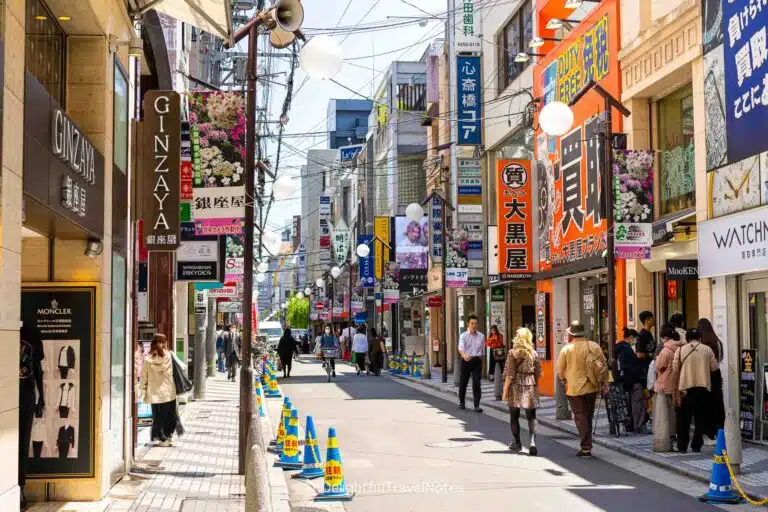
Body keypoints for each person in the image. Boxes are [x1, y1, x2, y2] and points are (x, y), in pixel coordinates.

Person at [557, 320, 608, 457]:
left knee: (580, 416)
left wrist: (564, 381)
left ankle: (586, 446)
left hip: (574, 388)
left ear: (571, 334)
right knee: (588, 415)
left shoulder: (566, 349)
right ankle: (587, 444)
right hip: (591, 386)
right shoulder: (594, 346)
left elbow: (560, 370)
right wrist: (604, 383)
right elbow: (603, 365)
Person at [673, 328, 718, 453]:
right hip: (703, 388)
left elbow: (675, 368)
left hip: (686, 389)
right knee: (700, 419)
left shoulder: (681, 350)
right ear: (700, 338)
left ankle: (682, 446)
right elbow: (714, 367)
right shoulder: (707, 349)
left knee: (684, 420)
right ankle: (696, 445)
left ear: (687, 338)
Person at [502, 328, 542, 455]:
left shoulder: (513, 353)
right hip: (530, 385)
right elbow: (538, 373)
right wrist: (536, 388)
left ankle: (517, 442)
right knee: (532, 417)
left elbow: (509, 374)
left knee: (514, 416)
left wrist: (504, 391)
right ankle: (532, 442)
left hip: (515, 386)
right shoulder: (534, 354)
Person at [140, 334, 178, 447]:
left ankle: (160, 436)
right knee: (168, 415)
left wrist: (142, 390)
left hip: (154, 392)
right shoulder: (169, 356)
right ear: (164, 342)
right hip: (168, 392)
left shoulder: (148, 359)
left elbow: (144, 377)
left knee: (157, 416)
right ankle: (166, 436)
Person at [653, 325, 683, 446]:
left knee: (665, 412)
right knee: (676, 410)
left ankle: (668, 434)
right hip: (678, 382)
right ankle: (675, 433)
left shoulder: (665, 350)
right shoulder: (681, 348)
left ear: (666, 338)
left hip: (665, 383)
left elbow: (659, 365)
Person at [615, 327, 646, 433]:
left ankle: (629, 425)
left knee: (628, 404)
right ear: (631, 337)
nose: (636, 342)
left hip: (623, 381)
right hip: (633, 380)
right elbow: (631, 366)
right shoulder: (627, 349)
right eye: (635, 339)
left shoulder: (618, 347)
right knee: (638, 403)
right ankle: (639, 426)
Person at [698, 318, 725, 437]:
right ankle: (719, 427)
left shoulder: (701, 343)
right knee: (717, 401)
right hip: (716, 373)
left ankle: (708, 430)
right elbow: (720, 358)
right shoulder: (717, 341)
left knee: (705, 403)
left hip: (703, 374)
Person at [458, 314, 485, 413]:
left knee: (477, 383)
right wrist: (464, 355)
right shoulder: (463, 336)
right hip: (466, 360)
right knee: (463, 382)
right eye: (472, 323)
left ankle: (476, 405)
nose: (474, 325)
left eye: (476, 323)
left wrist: (480, 358)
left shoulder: (481, 336)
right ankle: (462, 402)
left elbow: (482, 350)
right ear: (468, 324)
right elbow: (460, 348)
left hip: (476, 361)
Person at [636, 311, 656, 375]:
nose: (654, 320)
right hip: (645, 369)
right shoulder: (642, 335)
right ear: (647, 321)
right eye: (652, 318)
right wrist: (652, 355)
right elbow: (639, 354)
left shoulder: (649, 333)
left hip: (651, 367)